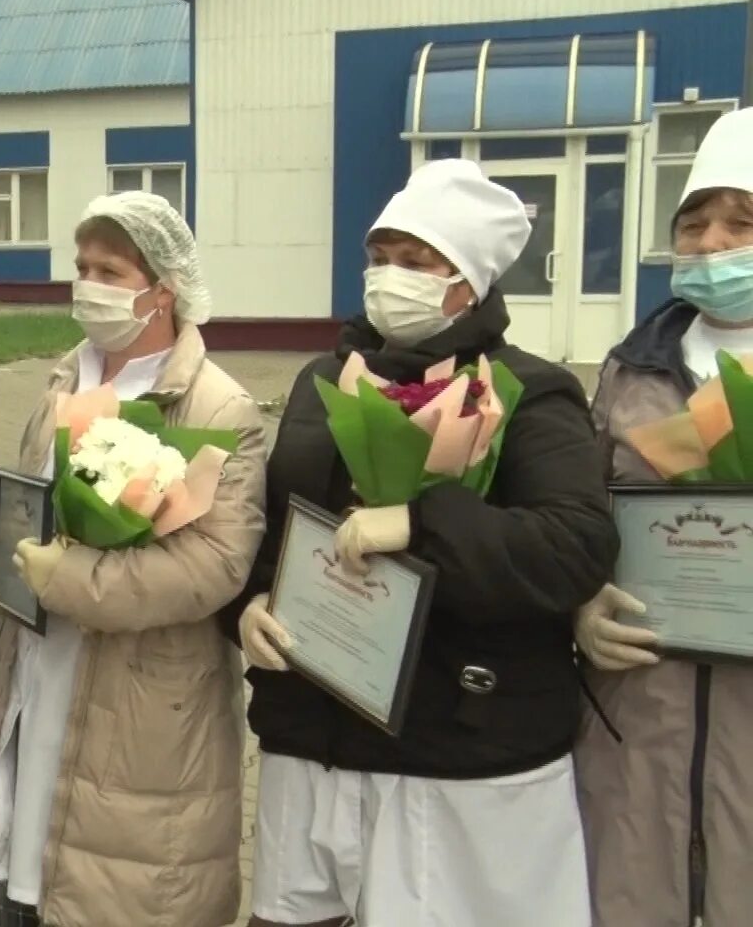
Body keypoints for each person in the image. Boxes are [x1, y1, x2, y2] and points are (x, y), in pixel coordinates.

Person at [230, 158, 617, 927]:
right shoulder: (323, 382)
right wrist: (244, 608)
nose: (387, 277)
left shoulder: (528, 393)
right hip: (312, 745)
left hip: (458, 763)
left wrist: (421, 522)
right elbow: (275, 532)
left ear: (466, 285)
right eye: (380, 258)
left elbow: (573, 545)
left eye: (416, 262)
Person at [0, 193, 267, 927]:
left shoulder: (218, 409)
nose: (88, 284)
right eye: (82, 267)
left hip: (138, 714)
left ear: (162, 288)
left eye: (110, 269)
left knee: (101, 889)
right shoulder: (61, 383)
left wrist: (72, 579)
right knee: (25, 867)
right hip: (38, 675)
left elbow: (213, 565)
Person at [574, 106, 753, 925]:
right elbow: (581, 515)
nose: (713, 243)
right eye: (695, 224)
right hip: (638, 719)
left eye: (741, 223)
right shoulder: (630, 370)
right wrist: (580, 605)